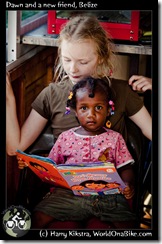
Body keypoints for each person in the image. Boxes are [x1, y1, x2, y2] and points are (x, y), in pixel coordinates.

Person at [6, 15, 152, 157]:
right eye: (67, 60)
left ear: (101, 58)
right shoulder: (51, 94)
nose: (72, 69)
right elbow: (15, 148)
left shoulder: (122, 91)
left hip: (111, 179)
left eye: (83, 62)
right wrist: (9, 99)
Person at [30, 77, 136, 228]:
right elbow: (51, 165)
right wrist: (35, 163)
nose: (91, 115)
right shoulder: (65, 138)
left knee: (129, 225)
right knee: (37, 217)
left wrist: (127, 184)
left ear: (108, 109)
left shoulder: (114, 138)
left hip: (108, 197)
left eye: (98, 108)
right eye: (84, 108)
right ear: (75, 111)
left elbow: (125, 167)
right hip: (68, 196)